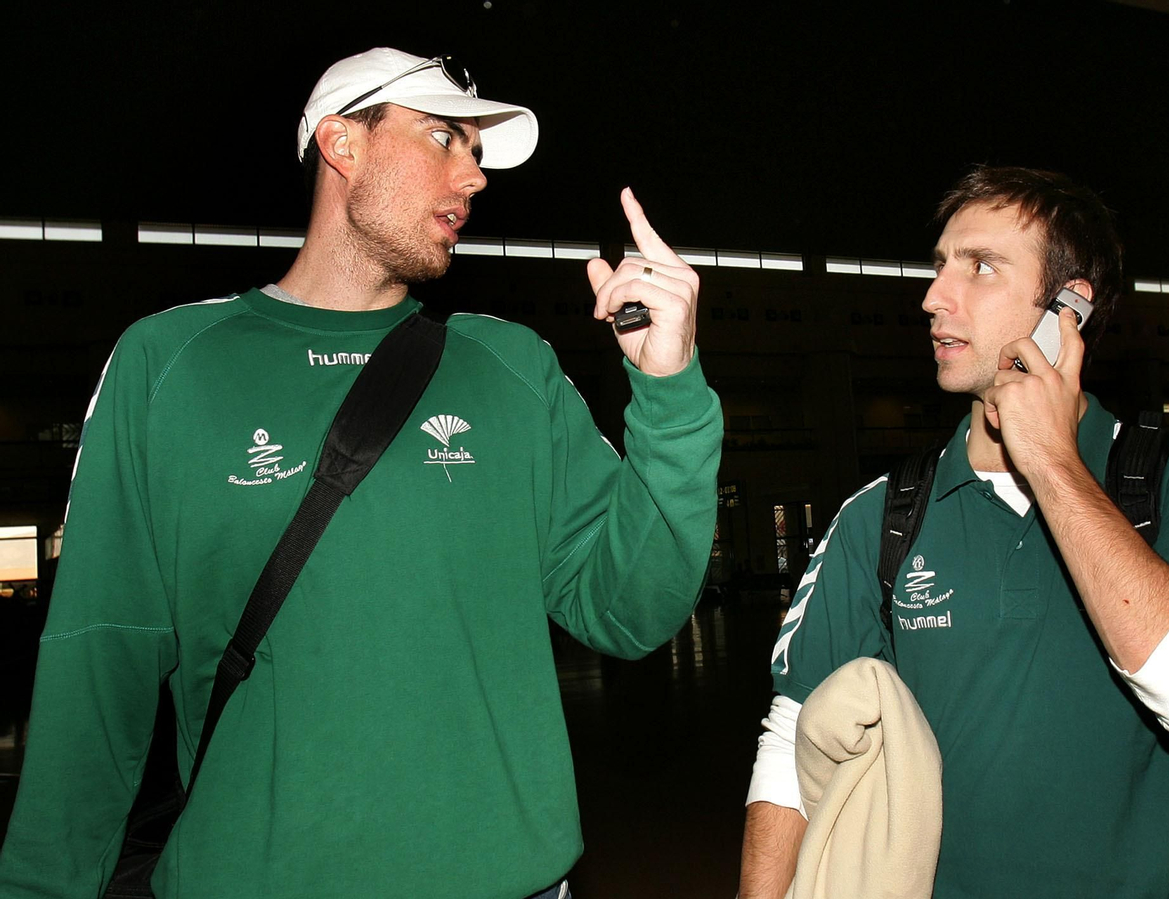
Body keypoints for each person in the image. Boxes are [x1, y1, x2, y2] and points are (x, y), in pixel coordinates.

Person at [0, 47, 721, 898]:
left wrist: (669, 390)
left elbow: (631, 608)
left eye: (478, 155)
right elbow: (98, 668)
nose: (475, 177)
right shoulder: (168, 366)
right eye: (446, 139)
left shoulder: (512, 367)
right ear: (343, 144)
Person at [739, 166, 1169, 899]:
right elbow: (792, 734)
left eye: (981, 266)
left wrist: (1053, 464)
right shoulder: (877, 517)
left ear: (1070, 307)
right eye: (939, 266)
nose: (933, 297)